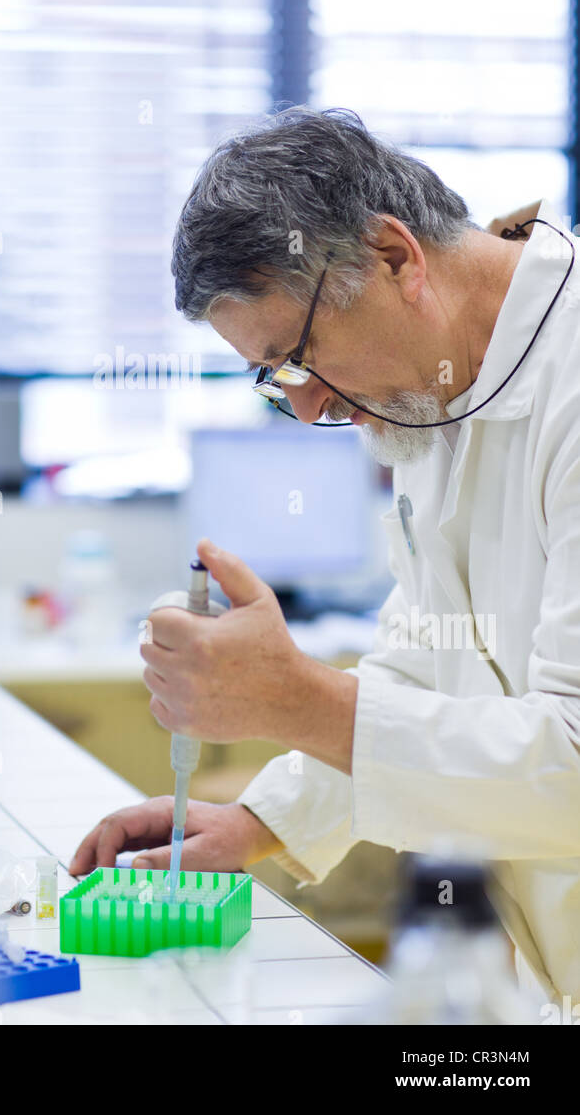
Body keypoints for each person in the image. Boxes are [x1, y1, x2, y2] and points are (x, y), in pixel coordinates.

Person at [68, 107, 580, 1009]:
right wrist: (260, 821)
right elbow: (424, 668)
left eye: (298, 358)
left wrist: (294, 698)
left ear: (393, 257)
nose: (307, 412)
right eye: (276, 381)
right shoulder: (441, 391)